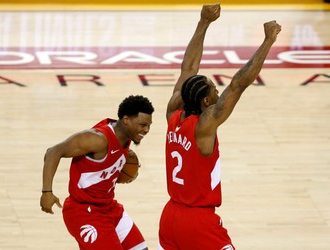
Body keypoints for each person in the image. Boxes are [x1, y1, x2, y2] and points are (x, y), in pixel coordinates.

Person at [158, 3, 281, 250]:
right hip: (198, 221)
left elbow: (188, 69)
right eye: (214, 89)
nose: (217, 90)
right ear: (206, 102)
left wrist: (204, 21)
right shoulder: (204, 126)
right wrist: (268, 41)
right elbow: (238, 84)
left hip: (170, 216)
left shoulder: (174, 114)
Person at [40, 95, 154, 250]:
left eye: (149, 125)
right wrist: (47, 192)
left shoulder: (126, 136)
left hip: (109, 207)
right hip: (84, 212)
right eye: (143, 125)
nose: (146, 130)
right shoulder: (97, 139)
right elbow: (53, 152)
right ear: (126, 120)